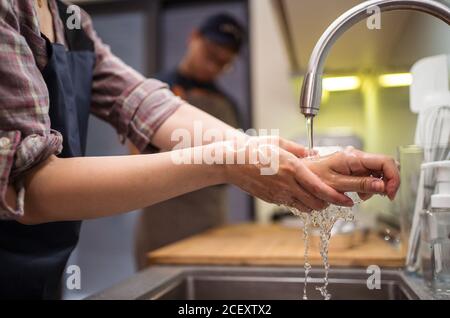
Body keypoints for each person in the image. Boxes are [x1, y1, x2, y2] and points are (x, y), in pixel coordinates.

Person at [0, 0, 400, 299]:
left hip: (48, 275)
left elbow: (145, 104)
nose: (215, 67)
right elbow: (28, 186)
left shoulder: (74, 24)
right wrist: (228, 162)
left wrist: (299, 163)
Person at [134, 13, 246, 270]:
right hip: (162, 224)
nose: (212, 67)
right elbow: (136, 157)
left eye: (223, 63)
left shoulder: (228, 104)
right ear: (193, 37)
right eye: (210, 54)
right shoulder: (156, 90)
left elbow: (238, 164)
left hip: (211, 222)